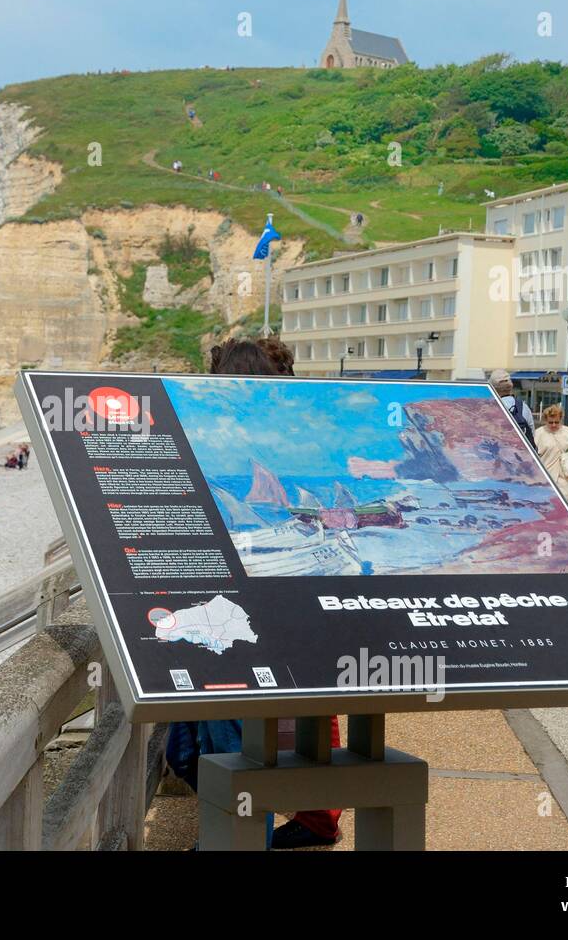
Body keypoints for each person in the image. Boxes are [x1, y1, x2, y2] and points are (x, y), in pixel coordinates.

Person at [191, 335, 343, 850]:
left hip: (258, 607)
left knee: (231, 717)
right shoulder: (289, 428)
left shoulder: (247, 438)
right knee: (311, 713)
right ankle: (315, 819)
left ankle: (240, 836)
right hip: (306, 611)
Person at [535, 404, 568, 497]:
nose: (553, 425)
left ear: (560, 419)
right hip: (544, 474)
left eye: (556, 422)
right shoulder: (538, 433)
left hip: (563, 475)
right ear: (546, 420)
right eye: (550, 422)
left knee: (563, 502)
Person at [488, 370, 534, 445]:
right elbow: (531, 434)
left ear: (492, 388)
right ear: (511, 386)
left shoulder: (489, 407)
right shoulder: (523, 407)